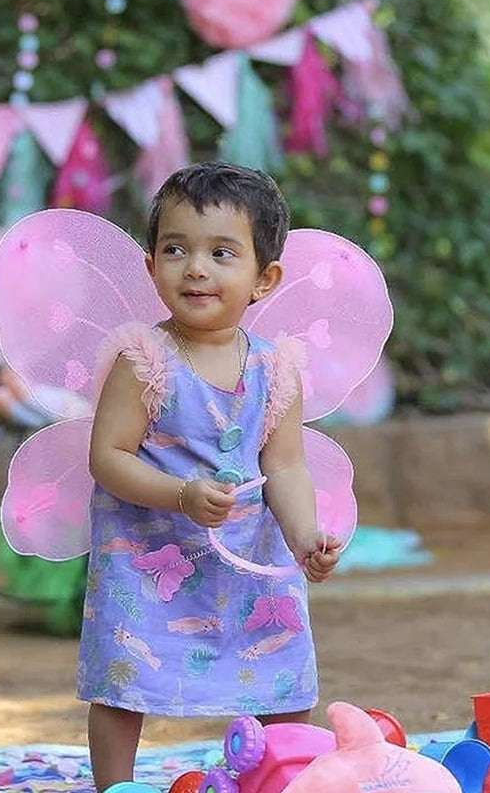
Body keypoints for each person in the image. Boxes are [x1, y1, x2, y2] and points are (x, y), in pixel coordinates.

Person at [79, 162, 342, 791]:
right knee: (125, 677)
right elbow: (108, 455)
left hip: (248, 555)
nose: (196, 268)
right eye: (176, 249)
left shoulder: (277, 367)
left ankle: (275, 774)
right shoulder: (144, 358)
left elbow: (284, 463)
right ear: (151, 267)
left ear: (264, 279)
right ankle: (113, 785)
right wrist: (180, 494)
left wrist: (306, 536)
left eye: (222, 253)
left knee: (282, 674)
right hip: (148, 557)